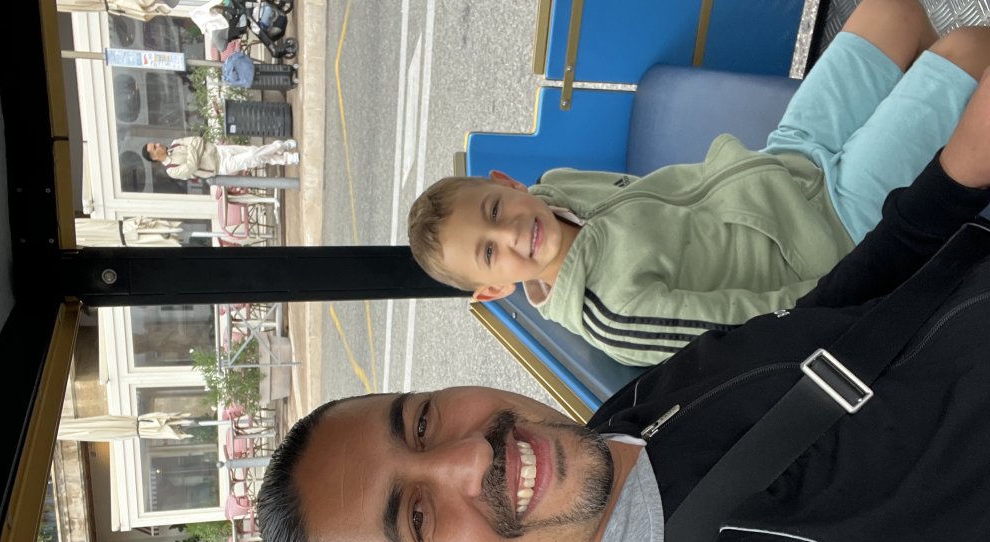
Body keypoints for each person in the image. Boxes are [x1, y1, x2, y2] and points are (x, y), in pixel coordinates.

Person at [255, 67, 990, 542]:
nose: (471, 457)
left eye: (421, 424)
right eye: (417, 517)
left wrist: (953, 180)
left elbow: (822, 329)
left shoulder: (618, 429)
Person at [408, 0, 990, 366]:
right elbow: (769, 329)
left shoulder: (557, 189)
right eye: (490, 253)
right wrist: (875, 271)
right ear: (494, 290)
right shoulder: (617, 315)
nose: (511, 233)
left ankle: (936, 127)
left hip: (784, 160)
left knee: (894, 12)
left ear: (508, 183)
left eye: (493, 209)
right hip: (835, 231)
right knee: (969, 49)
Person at [142, 136, 299, 181]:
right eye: (154, 147)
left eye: (155, 143)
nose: (158, 144)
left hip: (219, 150)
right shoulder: (172, 170)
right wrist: (194, 152)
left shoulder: (175, 143)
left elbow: (197, 140)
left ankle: (286, 158)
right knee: (252, 156)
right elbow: (191, 166)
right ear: (154, 157)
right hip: (220, 166)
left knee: (253, 152)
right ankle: (281, 145)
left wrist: (193, 154)